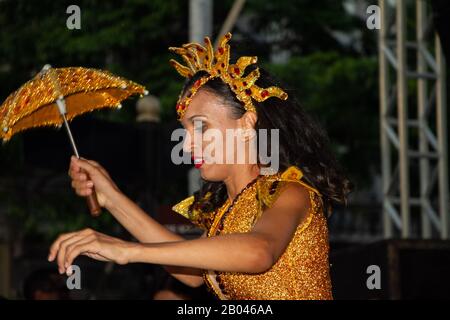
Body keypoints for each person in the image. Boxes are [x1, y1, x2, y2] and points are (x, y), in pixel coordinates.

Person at [48, 33, 352, 300]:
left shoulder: (290, 191)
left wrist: (127, 251)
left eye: (201, 127)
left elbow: (259, 251)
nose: (187, 145)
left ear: (247, 123)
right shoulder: (225, 213)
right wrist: (110, 196)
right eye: (186, 131)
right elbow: (192, 272)